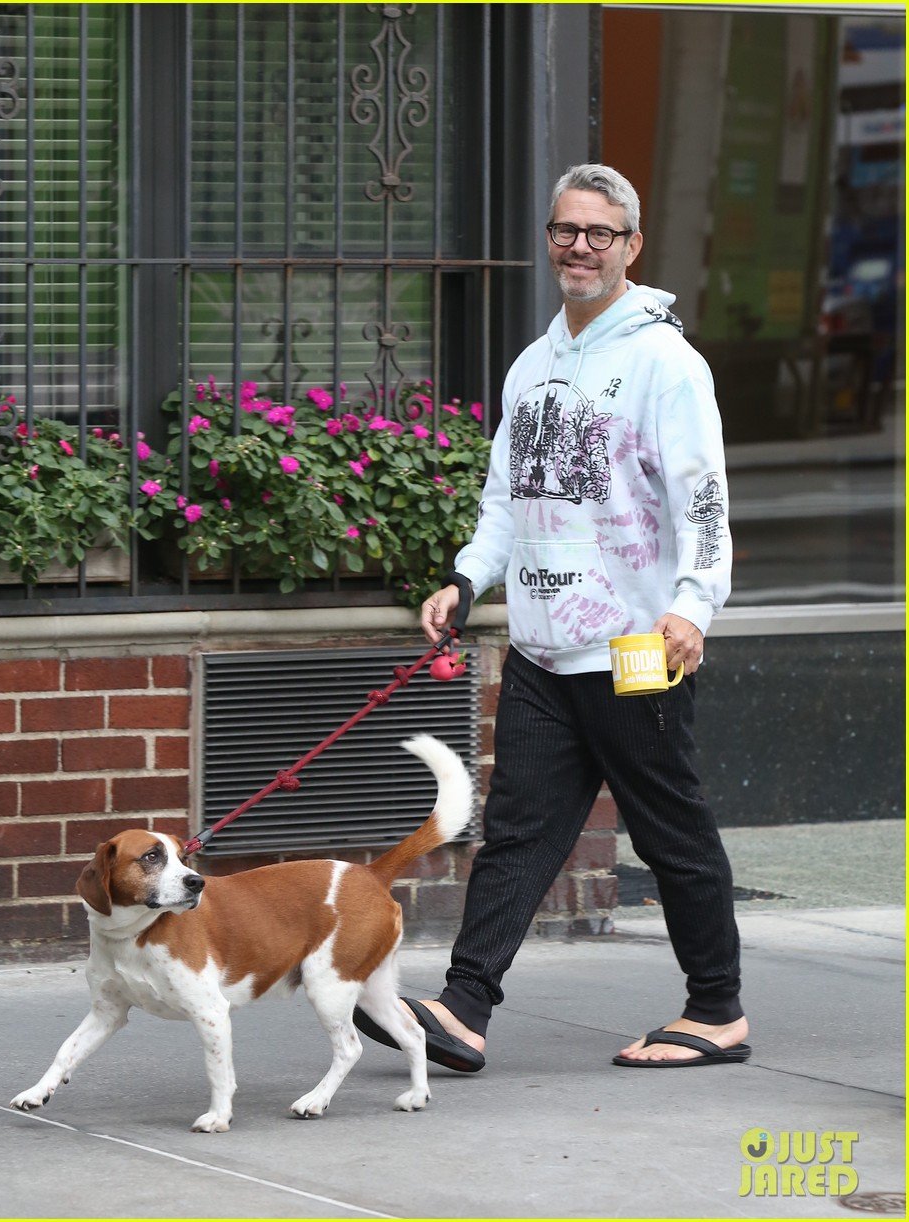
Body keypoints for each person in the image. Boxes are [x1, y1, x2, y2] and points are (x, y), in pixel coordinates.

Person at [355, 163, 750, 1070]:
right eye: (567, 230)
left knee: (669, 826)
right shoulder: (533, 365)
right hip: (541, 645)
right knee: (521, 831)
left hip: (636, 648)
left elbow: (704, 500)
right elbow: (506, 498)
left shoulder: (665, 363)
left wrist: (695, 605)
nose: (580, 247)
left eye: (600, 234)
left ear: (631, 247)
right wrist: (466, 579)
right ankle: (461, 1008)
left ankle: (718, 1009)